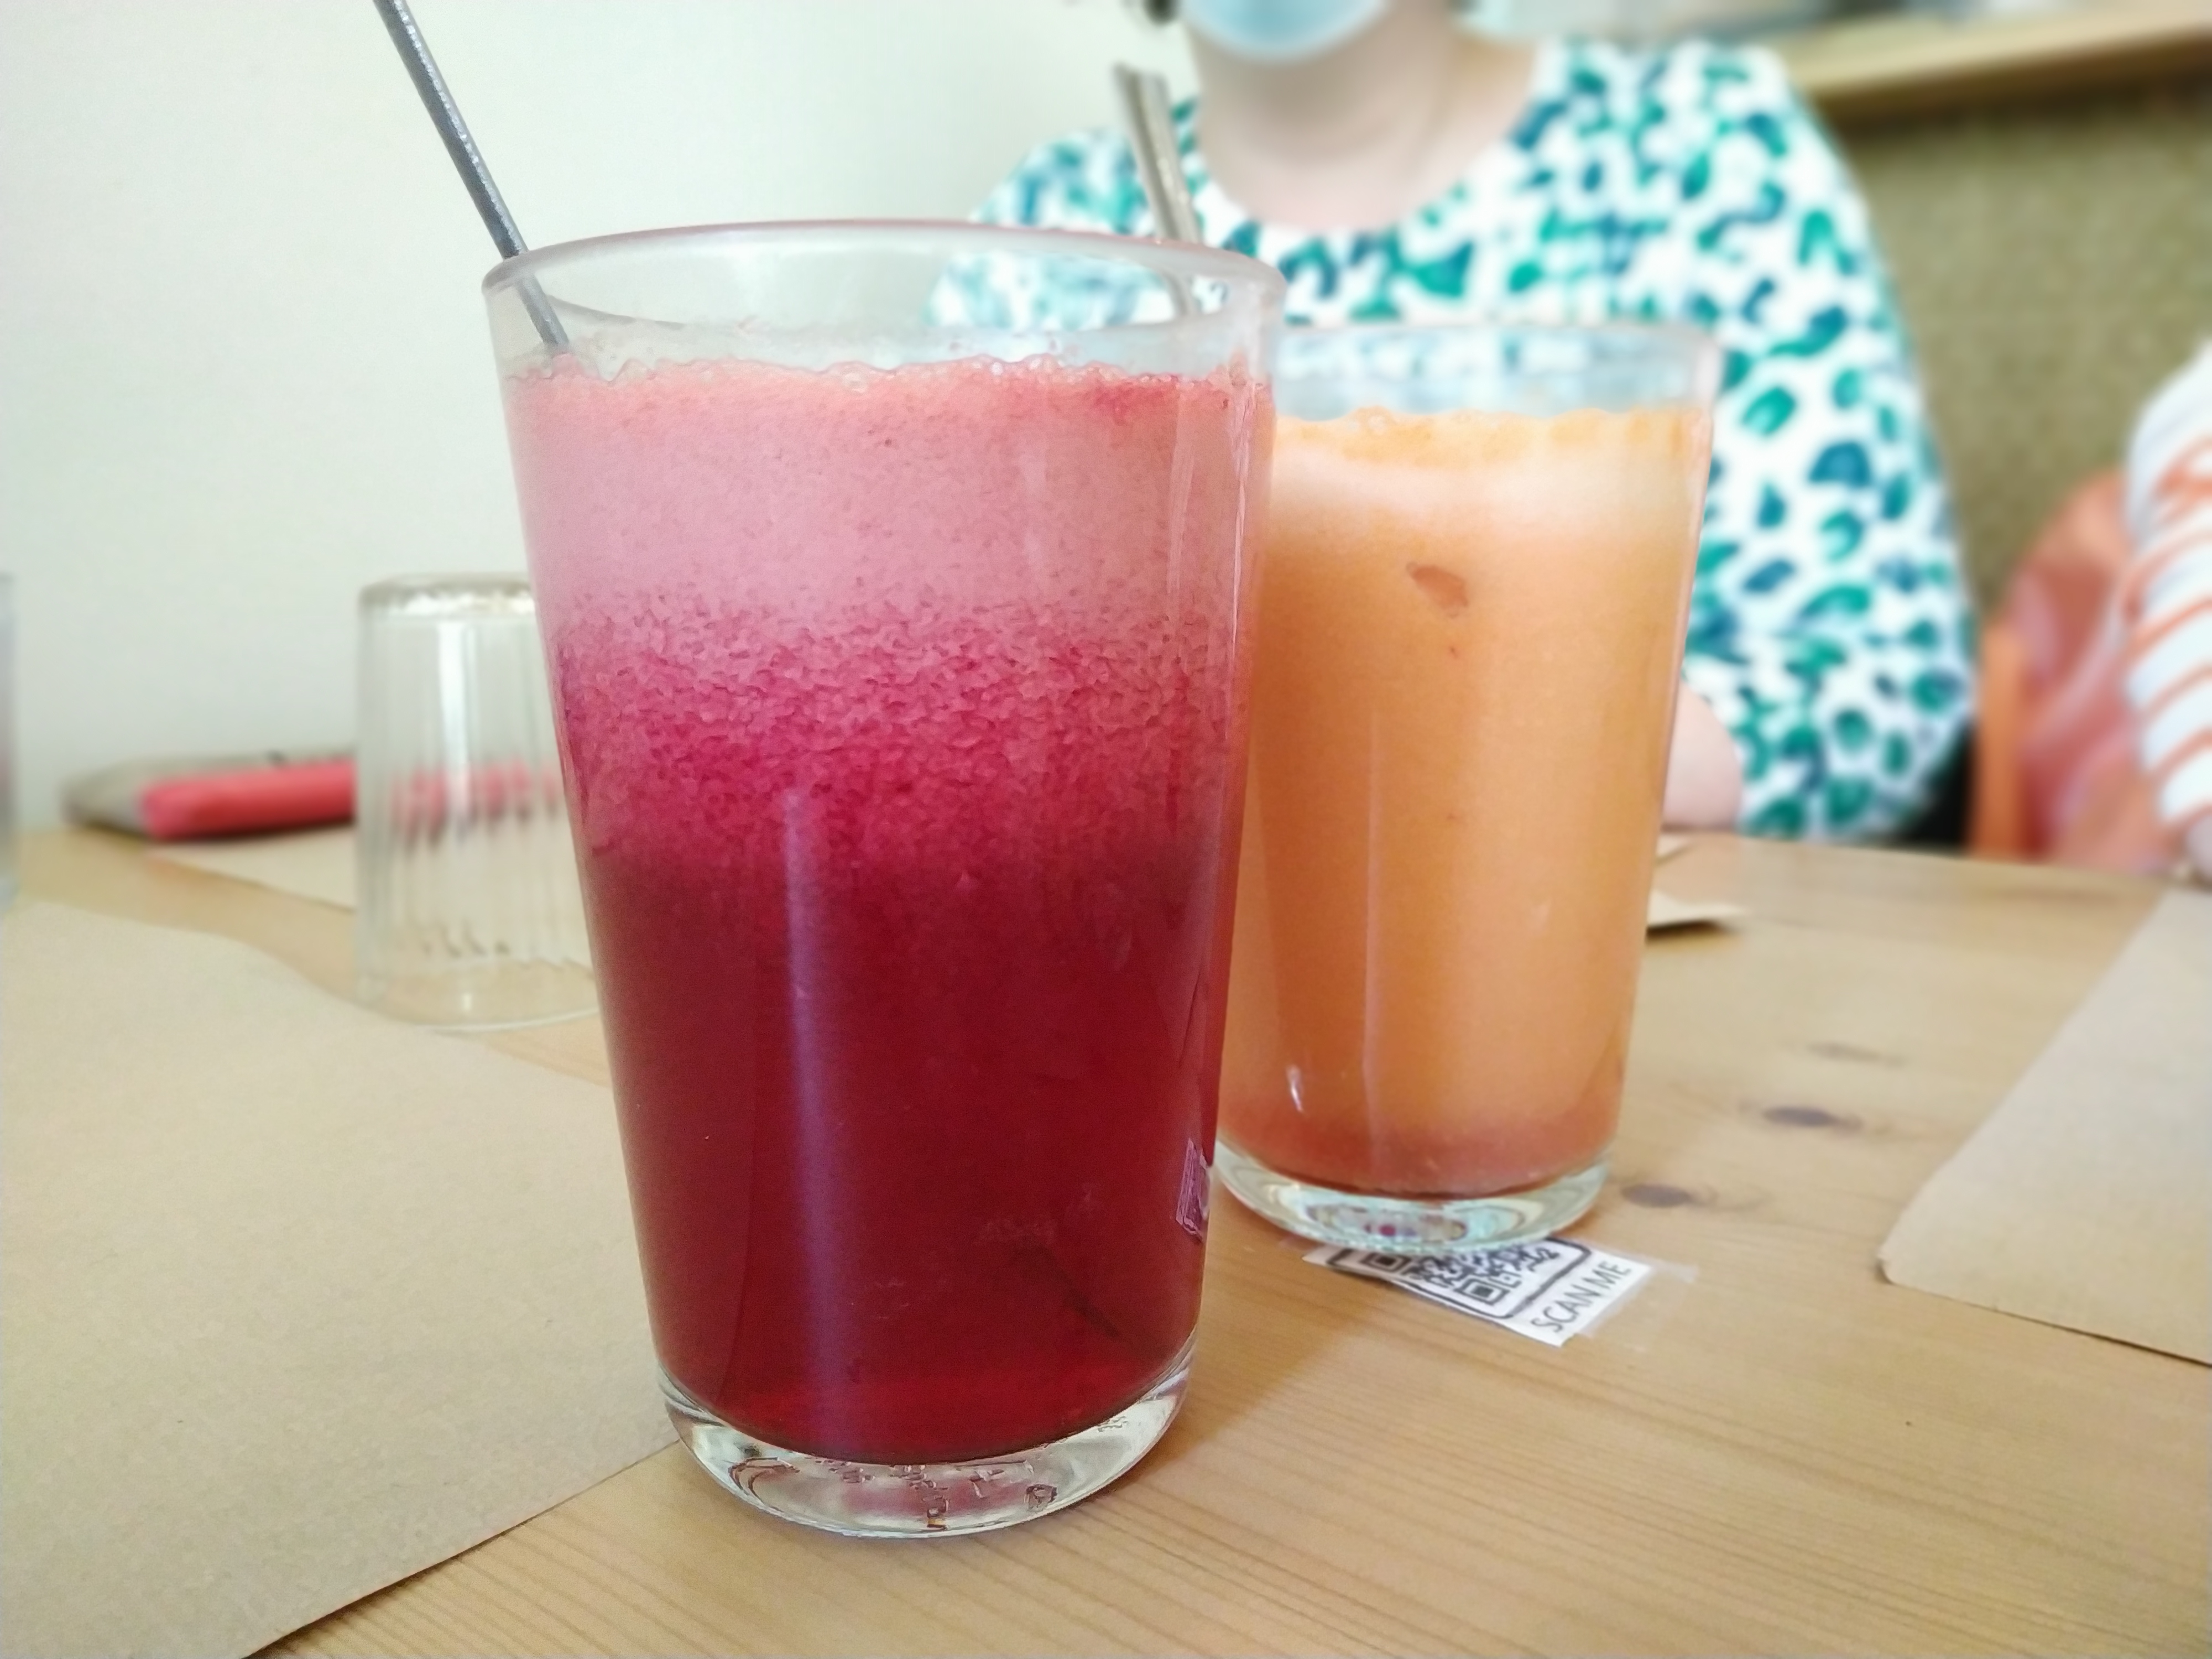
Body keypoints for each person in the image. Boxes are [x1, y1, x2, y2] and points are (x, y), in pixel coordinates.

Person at [971, 0, 1973, 838]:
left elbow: (1889, 681)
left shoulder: (1700, 153)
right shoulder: (1046, 239)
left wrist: (1549, 749)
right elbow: (968, 707)